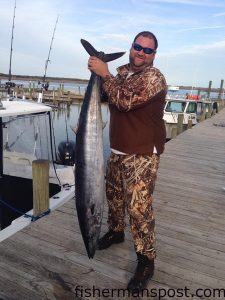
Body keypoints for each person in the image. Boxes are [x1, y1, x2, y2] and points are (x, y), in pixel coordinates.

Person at [88, 31, 167, 291]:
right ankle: (116, 231)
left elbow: (123, 101)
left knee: (138, 209)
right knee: (114, 195)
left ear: (153, 55)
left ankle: (146, 261)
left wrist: (104, 73)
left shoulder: (154, 78)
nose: (140, 53)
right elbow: (105, 96)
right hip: (118, 149)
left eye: (147, 50)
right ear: (131, 47)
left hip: (143, 153)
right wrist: (98, 75)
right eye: (137, 47)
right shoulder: (121, 72)